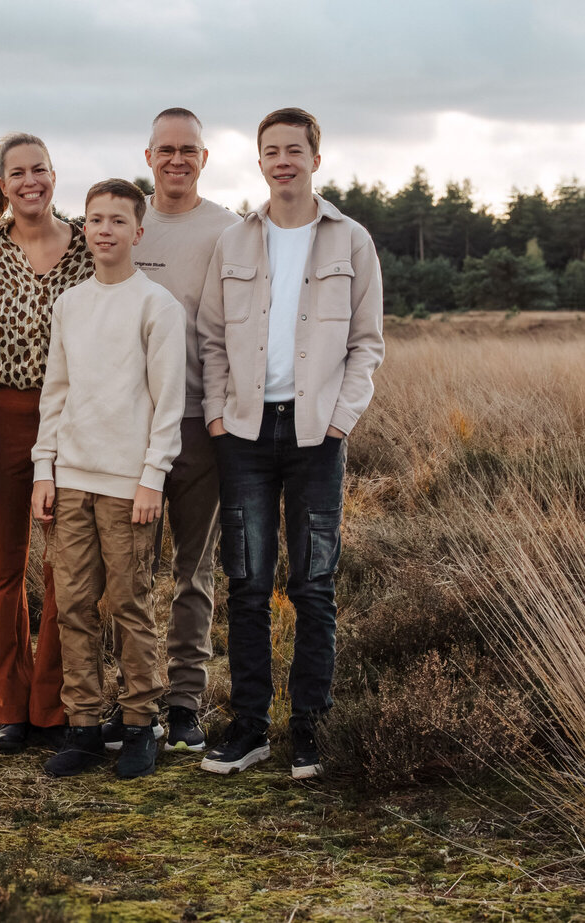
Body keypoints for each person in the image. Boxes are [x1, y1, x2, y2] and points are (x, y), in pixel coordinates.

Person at [196, 108, 384, 779]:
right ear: (259, 161)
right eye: (271, 150)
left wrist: (340, 418)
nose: (283, 160)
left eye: (294, 150)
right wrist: (217, 414)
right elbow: (211, 336)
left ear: (315, 159)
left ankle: (310, 725)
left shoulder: (351, 240)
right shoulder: (235, 241)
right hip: (243, 432)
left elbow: (367, 343)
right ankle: (249, 725)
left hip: (316, 436)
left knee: (314, 583)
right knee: (246, 582)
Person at [31, 179, 185, 780]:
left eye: (117, 221)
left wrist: (153, 477)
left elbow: (168, 401)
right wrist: (45, 468)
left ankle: (143, 723)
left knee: (128, 603)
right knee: (71, 603)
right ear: (85, 228)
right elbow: (56, 392)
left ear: (137, 232)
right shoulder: (70, 305)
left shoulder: (156, 305)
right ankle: (85, 725)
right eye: (95, 219)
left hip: (129, 485)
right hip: (71, 477)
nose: (104, 230)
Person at [105, 108, 240, 754]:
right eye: (166, 149)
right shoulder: (126, 224)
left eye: (189, 149)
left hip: (197, 425)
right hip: (127, 427)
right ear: (149, 155)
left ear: (204, 158)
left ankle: (185, 701)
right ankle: (131, 698)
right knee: (126, 570)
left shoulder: (228, 230)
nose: (177, 159)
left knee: (193, 570)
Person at [0, 133, 92, 755]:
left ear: (54, 175)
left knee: (65, 564)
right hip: (2, 415)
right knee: (3, 567)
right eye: (17, 172)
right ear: (2, 183)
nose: (30, 180)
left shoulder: (89, 247)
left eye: (40, 169)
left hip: (73, 418)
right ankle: (6, 704)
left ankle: (52, 701)